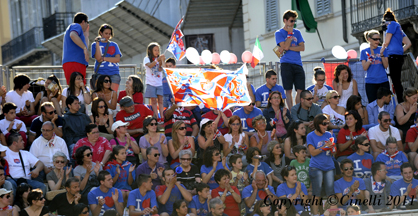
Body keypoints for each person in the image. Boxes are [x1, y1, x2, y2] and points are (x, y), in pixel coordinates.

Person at [275, 10, 305, 108]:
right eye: (291, 21)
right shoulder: (279, 33)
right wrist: (289, 35)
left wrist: (288, 48)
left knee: (300, 89)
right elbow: (285, 46)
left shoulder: (298, 32)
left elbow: (302, 48)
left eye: (294, 21)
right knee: (288, 90)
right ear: (285, 20)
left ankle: (297, 110)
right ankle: (291, 111)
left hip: (298, 64)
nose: (293, 23)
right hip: (286, 64)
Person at [382, 8, 412, 103]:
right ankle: (401, 100)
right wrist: (400, 50)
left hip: (392, 56)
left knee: (395, 81)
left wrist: (382, 50)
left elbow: (386, 42)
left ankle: (400, 101)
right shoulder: (398, 27)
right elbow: (408, 43)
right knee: (397, 80)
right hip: (398, 56)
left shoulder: (391, 25)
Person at [307, 114, 335, 216]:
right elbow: (312, 153)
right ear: (317, 124)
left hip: (329, 166)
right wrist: (324, 147)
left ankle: (332, 214)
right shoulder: (310, 136)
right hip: (316, 167)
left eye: (327, 123)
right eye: (324, 124)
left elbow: (333, 153)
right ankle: (315, 215)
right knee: (316, 194)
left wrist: (332, 148)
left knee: (331, 193)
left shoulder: (329, 135)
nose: (326, 126)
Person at [361, 29, 390, 103]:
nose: (377, 41)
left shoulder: (383, 49)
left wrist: (382, 54)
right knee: (373, 104)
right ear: (369, 39)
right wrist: (370, 59)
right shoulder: (364, 51)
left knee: (386, 102)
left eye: (379, 39)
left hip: (383, 81)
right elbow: (365, 68)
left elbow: (386, 66)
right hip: (371, 82)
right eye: (375, 39)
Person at [92, 24, 122, 92]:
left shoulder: (114, 45)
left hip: (114, 73)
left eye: (109, 34)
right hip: (100, 73)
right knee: (101, 96)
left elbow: (117, 59)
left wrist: (103, 59)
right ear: (101, 33)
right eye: (106, 33)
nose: (108, 36)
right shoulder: (94, 45)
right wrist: (97, 43)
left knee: (112, 95)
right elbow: (98, 58)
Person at [62, 12, 89, 85]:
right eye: (87, 22)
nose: (87, 25)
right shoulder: (76, 25)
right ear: (83, 22)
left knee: (79, 87)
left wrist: (86, 35)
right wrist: (84, 48)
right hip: (74, 62)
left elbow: (85, 46)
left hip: (77, 62)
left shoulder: (79, 31)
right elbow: (73, 35)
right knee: (76, 86)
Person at [144, 42, 165, 123]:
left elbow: (162, 68)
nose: (157, 52)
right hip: (151, 83)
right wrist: (157, 60)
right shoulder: (147, 59)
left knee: (160, 101)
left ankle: (162, 117)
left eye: (158, 50)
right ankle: (156, 117)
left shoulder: (158, 59)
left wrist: (162, 60)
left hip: (159, 83)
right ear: (150, 51)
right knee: (153, 101)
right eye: (155, 50)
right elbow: (150, 65)